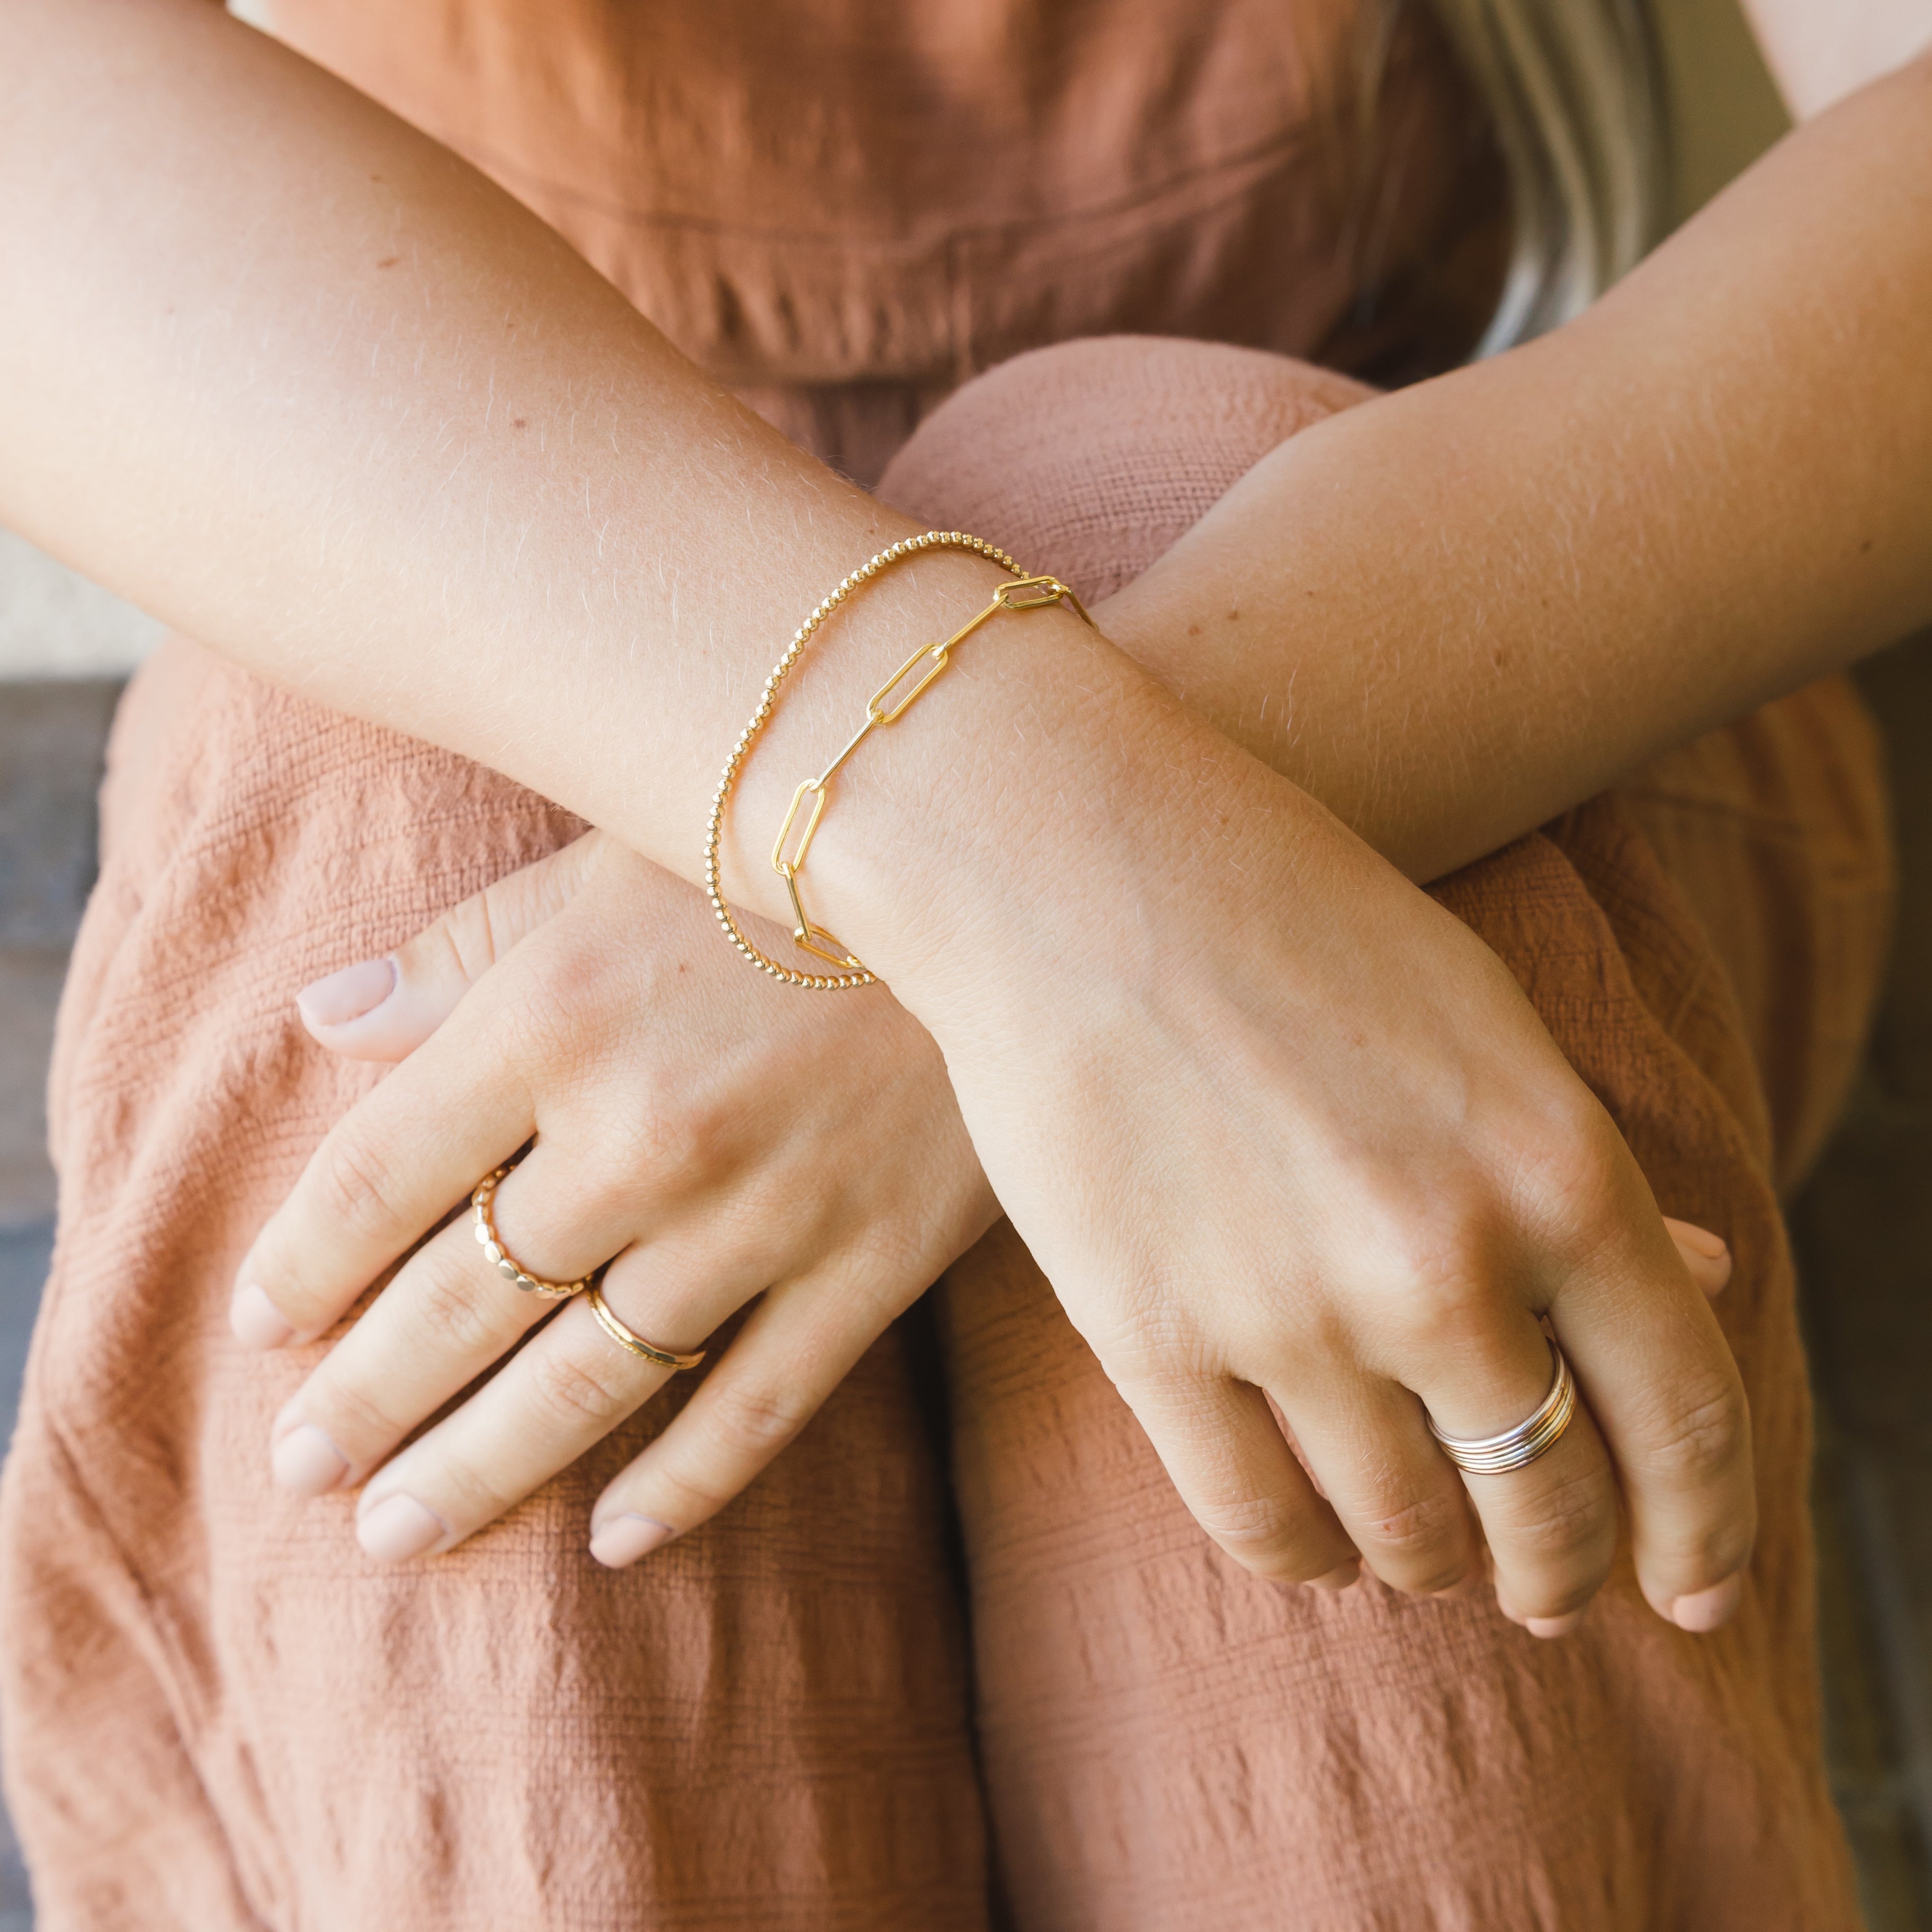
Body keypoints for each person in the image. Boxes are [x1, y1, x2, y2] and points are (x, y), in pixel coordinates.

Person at [0, 0, 1925, 1922]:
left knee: (1163, 499)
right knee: (409, 820)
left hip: (1483, 577)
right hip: (436, 508)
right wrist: (1006, 857)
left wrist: (1117, 894)